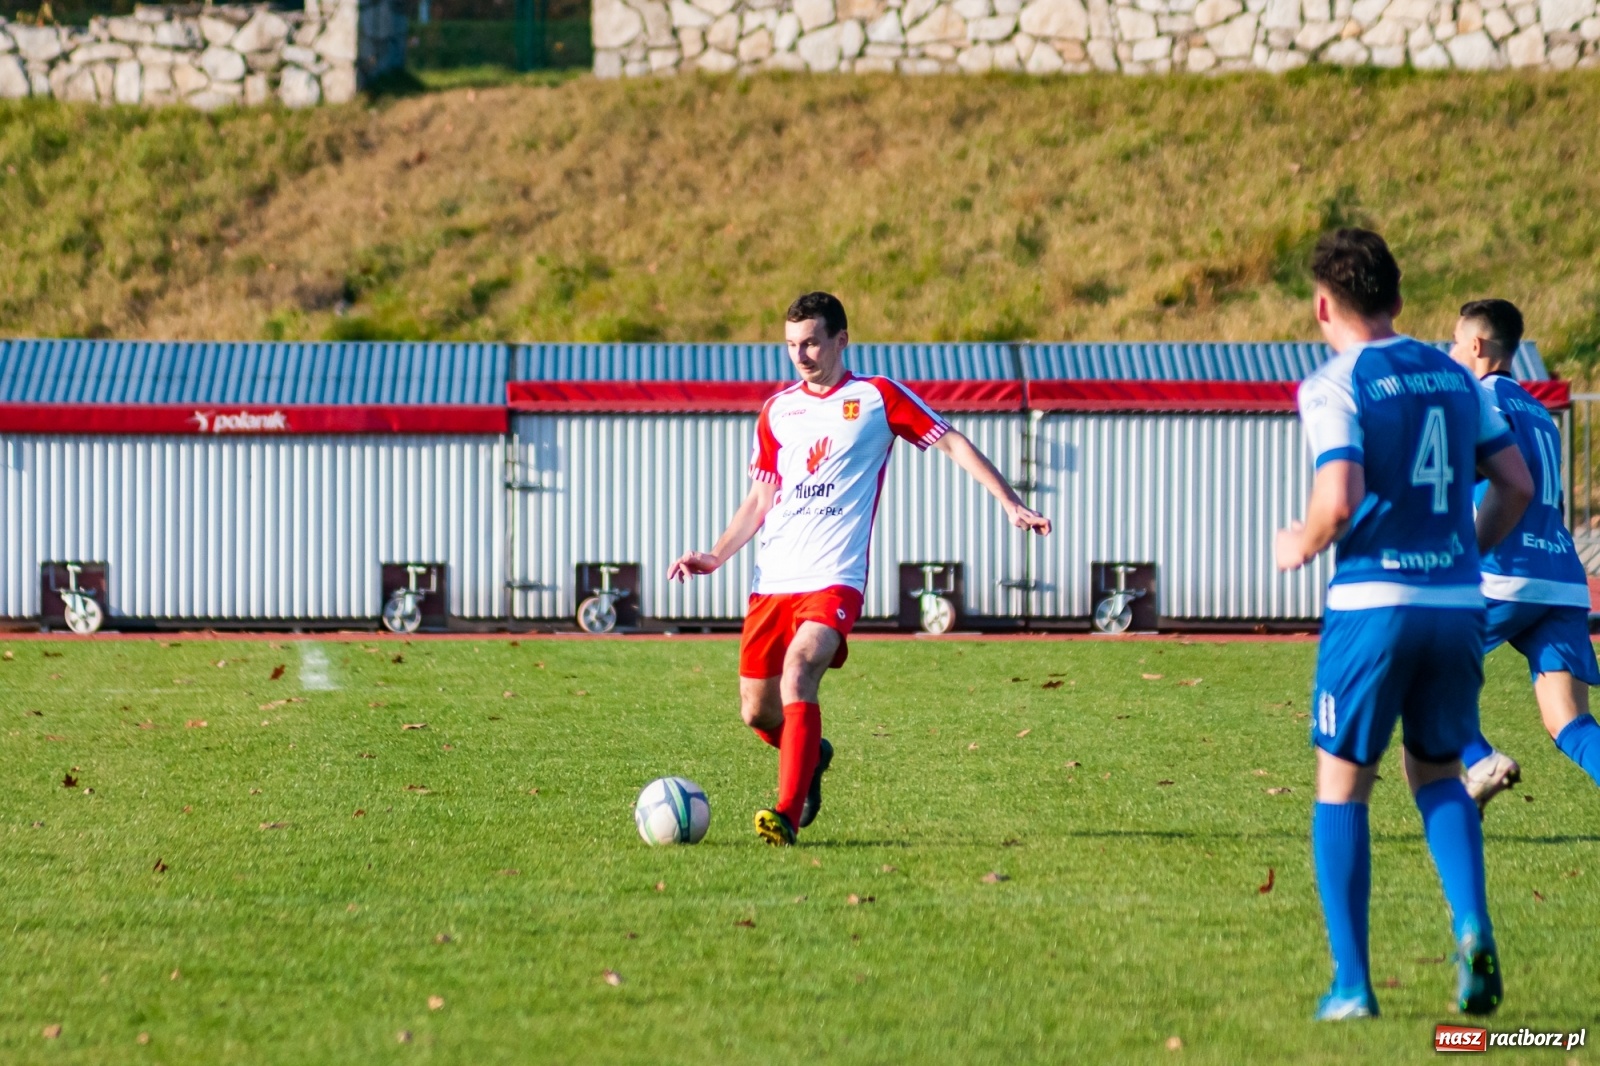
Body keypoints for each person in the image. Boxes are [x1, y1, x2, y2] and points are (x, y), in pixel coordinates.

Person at [667, 291, 1051, 846]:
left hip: (833, 578)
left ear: (841, 340)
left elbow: (952, 443)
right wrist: (717, 552)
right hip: (771, 581)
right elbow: (760, 497)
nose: (801, 355)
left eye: (812, 343)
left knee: (800, 670)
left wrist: (1009, 501)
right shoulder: (778, 410)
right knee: (756, 711)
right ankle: (812, 753)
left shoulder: (876, 397)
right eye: (792, 345)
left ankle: (786, 813)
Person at [1275, 229, 1533, 1020]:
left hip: (1372, 608)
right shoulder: (1457, 379)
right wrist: (1462, 553)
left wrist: (1299, 541)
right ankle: (1473, 926)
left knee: (1342, 785)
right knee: (1437, 774)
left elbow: (1339, 497)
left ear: (1324, 304)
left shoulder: (1334, 382)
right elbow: (1515, 484)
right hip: (1457, 606)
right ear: (1396, 297)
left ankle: (1353, 986)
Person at [1445, 299, 1600, 809]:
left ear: (1476, 345)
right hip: (1560, 575)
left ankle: (1481, 758)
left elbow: (1503, 483)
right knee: (1568, 720)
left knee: (1417, 670)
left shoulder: (1479, 400)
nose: (1450, 351)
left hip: (1504, 572)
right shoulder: (1539, 411)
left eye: (1453, 340)